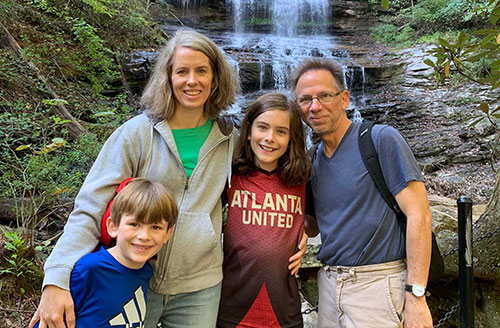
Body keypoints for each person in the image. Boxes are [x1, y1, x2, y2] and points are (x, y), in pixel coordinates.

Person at [29, 29, 239, 328]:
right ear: (167, 78)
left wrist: (299, 229)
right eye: (182, 71)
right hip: (133, 279)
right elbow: (90, 206)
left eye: (201, 71)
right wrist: (57, 277)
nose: (192, 81)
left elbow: (265, 185)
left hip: (200, 286)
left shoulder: (231, 140)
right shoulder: (137, 134)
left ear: (216, 78)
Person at [289, 58, 433, 328]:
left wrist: (416, 295)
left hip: (378, 284)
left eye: (324, 96)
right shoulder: (310, 161)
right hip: (330, 284)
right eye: (305, 99)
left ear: (344, 99)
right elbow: (312, 227)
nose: (315, 106)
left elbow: (420, 216)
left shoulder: (380, 140)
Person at [217, 92, 311, 328]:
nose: (270, 138)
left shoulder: (302, 179)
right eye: (262, 128)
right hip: (232, 306)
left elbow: (317, 217)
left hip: (284, 309)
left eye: (281, 131)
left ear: (292, 138)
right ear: (248, 131)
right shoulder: (231, 175)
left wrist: (306, 230)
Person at [33, 178, 177, 328]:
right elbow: (49, 319)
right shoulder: (89, 269)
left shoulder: (146, 272)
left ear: (168, 233)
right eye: (134, 224)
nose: (144, 236)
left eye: (156, 227)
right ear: (113, 227)